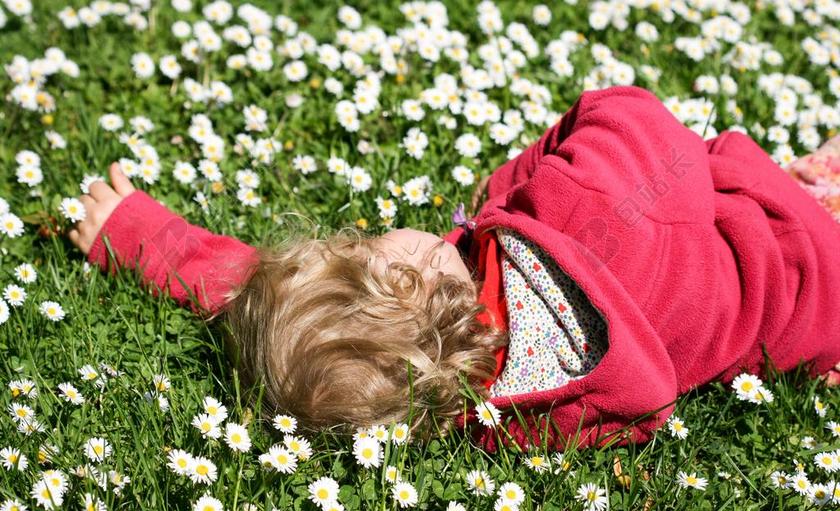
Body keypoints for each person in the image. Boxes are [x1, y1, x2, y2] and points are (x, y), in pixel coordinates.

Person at [68, 85, 840, 452]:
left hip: (803, 329)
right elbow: (637, 114)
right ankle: (811, 193)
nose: (361, 230)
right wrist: (521, 178)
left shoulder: (496, 412)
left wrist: (148, 238)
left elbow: (305, 331)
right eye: (356, 243)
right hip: (790, 249)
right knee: (743, 196)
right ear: (411, 277)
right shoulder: (578, 207)